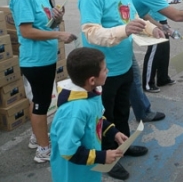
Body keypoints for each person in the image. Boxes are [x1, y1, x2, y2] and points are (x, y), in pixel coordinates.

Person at [78, 0, 163, 180]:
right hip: (102, 72)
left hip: (123, 65)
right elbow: (91, 32)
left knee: (122, 111)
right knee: (105, 118)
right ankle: (108, 158)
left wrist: (151, 29)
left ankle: (123, 147)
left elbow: (134, 18)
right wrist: (123, 30)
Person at [10, 0, 77, 163]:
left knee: (39, 101)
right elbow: (27, 31)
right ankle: (43, 149)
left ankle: (36, 137)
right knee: (40, 103)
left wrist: (57, 18)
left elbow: (44, 24)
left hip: (46, 58)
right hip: (35, 60)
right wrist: (59, 33)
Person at [50, 47, 127, 182]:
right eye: (104, 69)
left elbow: (97, 118)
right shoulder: (74, 111)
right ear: (92, 80)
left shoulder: (91, 93)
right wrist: (102, 157)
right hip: (73, 175)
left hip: (87, 167)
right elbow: (69, 151)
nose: (107, 71)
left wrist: (113, 132)